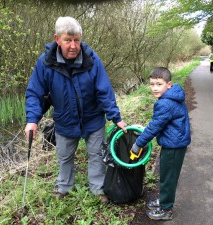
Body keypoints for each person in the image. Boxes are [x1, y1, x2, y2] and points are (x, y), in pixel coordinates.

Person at [24, 16, 127, 202]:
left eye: (77, 40)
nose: (73, 45)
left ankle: (98, 189)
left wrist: (116, 117)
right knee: (64, 157)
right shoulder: (45, 62)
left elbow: (104, 91)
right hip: (65, 119)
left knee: (96, 155)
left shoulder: (92, 60)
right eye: (68, 40)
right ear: (57, 39)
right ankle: (64, 187)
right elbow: (35, 93)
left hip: (93, 118)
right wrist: (32, 120)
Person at [131, 67, 191, 220]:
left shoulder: (165, 103)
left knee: (168, 179)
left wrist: (139, 143)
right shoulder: (173, 96)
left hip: (173, 146)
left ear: (169, 84)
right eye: (152, 84)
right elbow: (159, 123)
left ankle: (166, 210)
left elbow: (155, 126)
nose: (155, 88)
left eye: (159, 84)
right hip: (174, 143)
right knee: (166, 177)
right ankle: (164, 201)